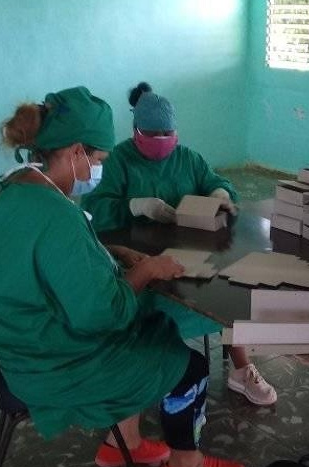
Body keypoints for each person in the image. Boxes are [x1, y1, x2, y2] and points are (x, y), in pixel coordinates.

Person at [0, 86, 245, 467]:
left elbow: (50, 256)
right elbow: (103, 313)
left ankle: (124, 444)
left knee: (154, 328)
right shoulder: (57, 216)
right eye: (98, 160)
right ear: (76, 152)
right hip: (56, 365)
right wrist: (147, 270)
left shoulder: (8, 190)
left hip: (10, 348)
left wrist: (108, 250)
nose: (98, 168)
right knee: (185, 363)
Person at [82, 82, 277, 407]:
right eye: (151, 136)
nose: (161, 145)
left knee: (230, 290)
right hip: (141, 257)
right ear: (135, 131)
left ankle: (242, 368)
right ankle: (153, 372)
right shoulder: (118, 161)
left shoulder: (188, 158)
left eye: (167, 136)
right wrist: (135, 206)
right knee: (148, 313)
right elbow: (96, 209)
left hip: (192, 252)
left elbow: (218, 181)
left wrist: (220, 195)